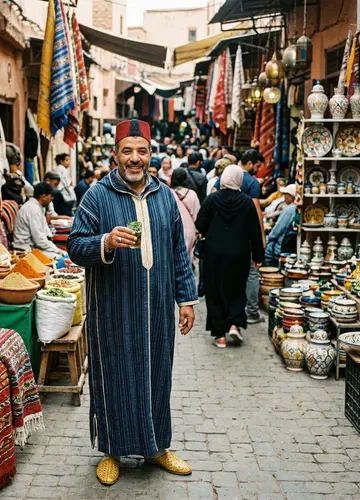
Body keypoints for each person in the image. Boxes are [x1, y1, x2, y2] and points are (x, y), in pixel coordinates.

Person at [67, 119, 197, 486]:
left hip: (157, 309)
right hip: (113, 307)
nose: (135, 158)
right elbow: (75, 245)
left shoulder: (164, 197)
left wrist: (186, 298)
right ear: (116, 155)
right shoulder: (97, 195)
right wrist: (105, 241)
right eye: (128, 151)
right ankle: (112, 451)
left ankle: (156, 448)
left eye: (141, 151)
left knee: (158, 376)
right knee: (113, 378)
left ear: (151, 154)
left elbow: (178, 252)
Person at [196, 165, 264, 349]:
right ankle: (234, 324)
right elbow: (255, 232)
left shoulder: (212, 199)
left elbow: (200, 224)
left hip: (214, 254)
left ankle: (220, 335)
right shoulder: (246, 202)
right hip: (239, 254)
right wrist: (258, 256)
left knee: (215, 291)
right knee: (236, 289)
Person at [214, 148, 266, 325]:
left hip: (224, 234)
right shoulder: (252, 182)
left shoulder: (225, 177)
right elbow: (257, 212)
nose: (258, 170)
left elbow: (213, 199)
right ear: (250, 163)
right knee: (252, 272)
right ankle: (251, 312)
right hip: (246, 235)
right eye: (257, 166)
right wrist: (261, 238)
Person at [13, 182, 67, 261]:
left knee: (64, 256)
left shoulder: (36, 207)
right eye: (51, 196)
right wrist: (58, 251)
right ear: (43, 196)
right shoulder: (34, 210)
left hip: (34, 247)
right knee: (63, 259)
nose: (52, 199)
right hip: (26, 250)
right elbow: (40, 241)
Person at [171, 168, 200, 262]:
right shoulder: (192, 194)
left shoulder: (168, 193)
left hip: (173, 228)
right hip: (189, 230)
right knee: (187, 257)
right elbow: (196, 214)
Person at [265, 184, 297, 266]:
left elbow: (277, 230)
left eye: (287, 194)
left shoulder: (290, 209)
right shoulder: (294, 208)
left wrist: (266, 239)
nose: (285, 196)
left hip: (279, 248)